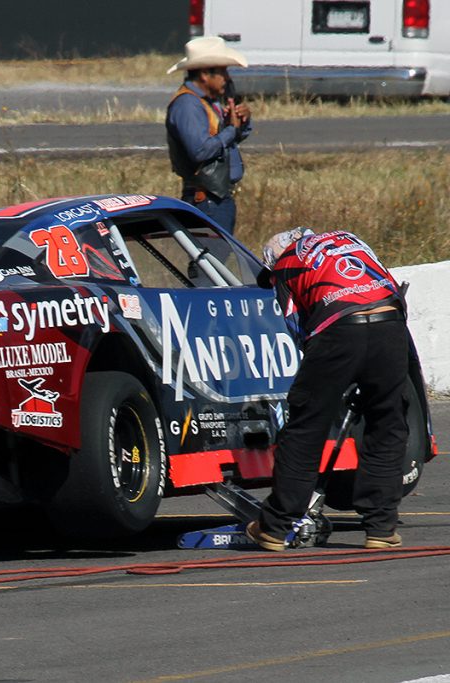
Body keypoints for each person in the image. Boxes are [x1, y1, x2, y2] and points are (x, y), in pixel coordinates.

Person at [247, 228, 409, 551]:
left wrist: (327, 377)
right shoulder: (350, 239)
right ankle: (381, 527)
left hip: (337, 328)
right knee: (388, 421)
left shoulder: (286, 263)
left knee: (306, 426)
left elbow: (298, 328)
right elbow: (389, 286)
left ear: (273, 261)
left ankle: (275, 527)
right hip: (390, 322)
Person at [165, 36, 252, 234]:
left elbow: (225, 141)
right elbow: (200, 151)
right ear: (205, 74)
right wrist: (231, 130)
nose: (227, 78)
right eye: (222, 72)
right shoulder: (187, 105)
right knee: (208, 261)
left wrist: (241, 123)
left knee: (213, 260)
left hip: (216, 198)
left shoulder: (206, 102)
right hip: (206, 200)